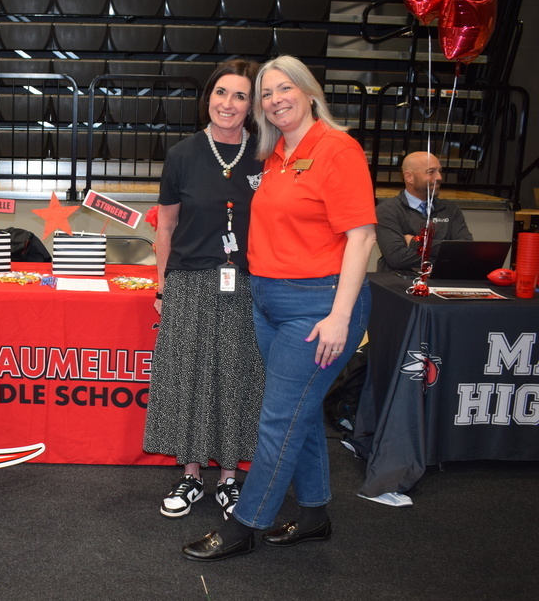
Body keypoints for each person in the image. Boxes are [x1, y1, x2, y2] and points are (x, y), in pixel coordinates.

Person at [181, 55, 376, 561]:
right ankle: (314, 515)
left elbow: (361, 238)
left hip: (317, 306)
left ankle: (246, 524)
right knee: (302, 415)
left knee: (277, 420)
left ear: (309, 91)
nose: (275, 100)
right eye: (266, 93)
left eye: (284, 88)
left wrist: (339, 315)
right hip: (268, 301)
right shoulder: (277, 154)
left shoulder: (338, 149)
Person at [144, 58, 265, 521]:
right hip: (191, 282)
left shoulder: (267, 154)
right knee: (188, 380)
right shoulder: (182, 155)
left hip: (248, 285)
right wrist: (162, 284)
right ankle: (192, 475)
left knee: (235, 380)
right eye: (221, 93)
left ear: (251, 105)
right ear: (208, 98)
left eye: (239, 96)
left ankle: (230, 479)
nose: (228, 103)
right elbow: (166, 227)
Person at [375, 151, 472, 273]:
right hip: (399, 283)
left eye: (440, 171)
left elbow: (466, 250)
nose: (439, 177)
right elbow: (397, 257)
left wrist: (416, 243)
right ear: (409, 177)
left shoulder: (450, 209)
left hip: (442, 283)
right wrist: (446, 258)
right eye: (431, 172)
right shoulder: (387, 210)